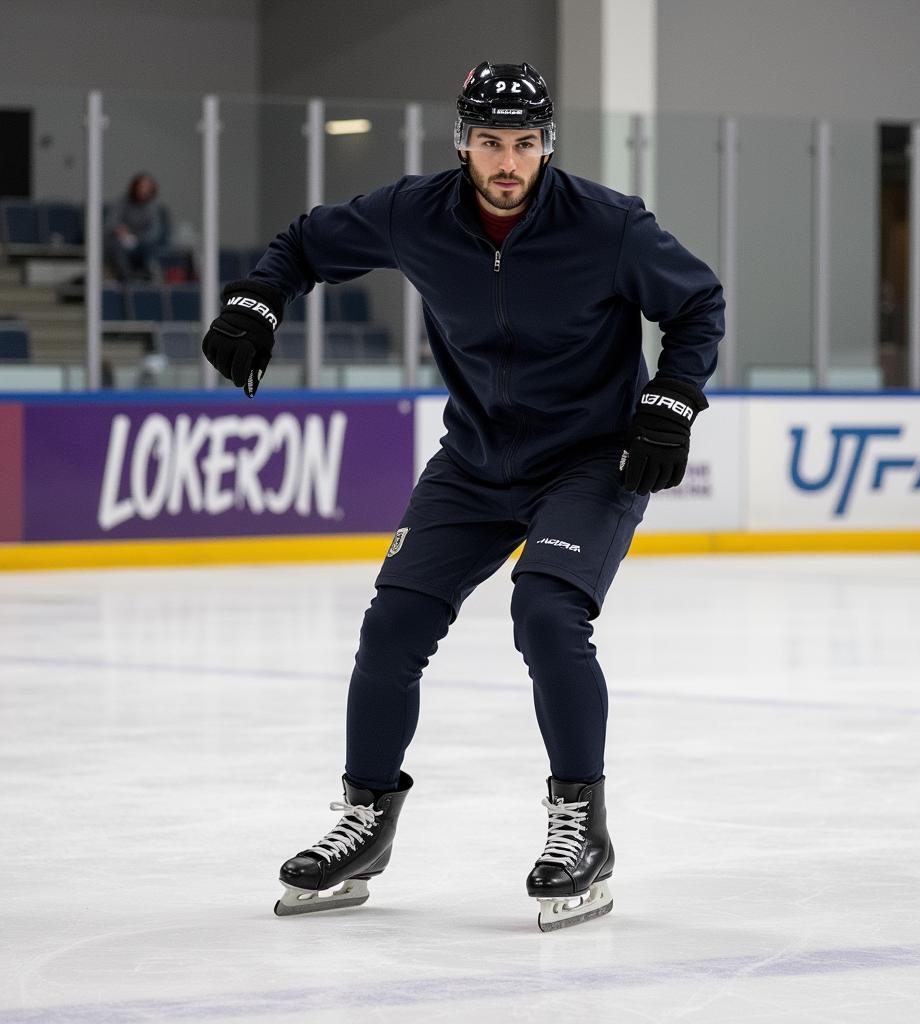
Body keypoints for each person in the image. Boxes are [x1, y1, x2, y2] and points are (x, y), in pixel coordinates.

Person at [201, 61, 724, 931]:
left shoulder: (609, 227)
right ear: (462, 143)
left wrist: (668, 405)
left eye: (524, 143)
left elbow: (697, 302)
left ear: (548, 146)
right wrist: (257, 299)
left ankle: (580, 826)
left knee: (548, 616)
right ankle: (365, 819)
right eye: (490, 142)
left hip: (591, 460)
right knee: (392, 623)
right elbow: (303, 243)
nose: (507, 161)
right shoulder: (415, 214)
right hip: (476, 459)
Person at [104, 172, 163, 282]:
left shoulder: (152, 206)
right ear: (135, 187)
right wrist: (120, 229)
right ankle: (126, 280)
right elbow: (110, 223)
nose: (144, 190)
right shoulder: (122, 202)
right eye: (142, 187)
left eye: (148, 188)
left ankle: (149, 281)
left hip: (142, 242)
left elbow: (155, 231)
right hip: (122, 242)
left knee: (151, 249)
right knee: (116, 246)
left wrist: (138, 238)